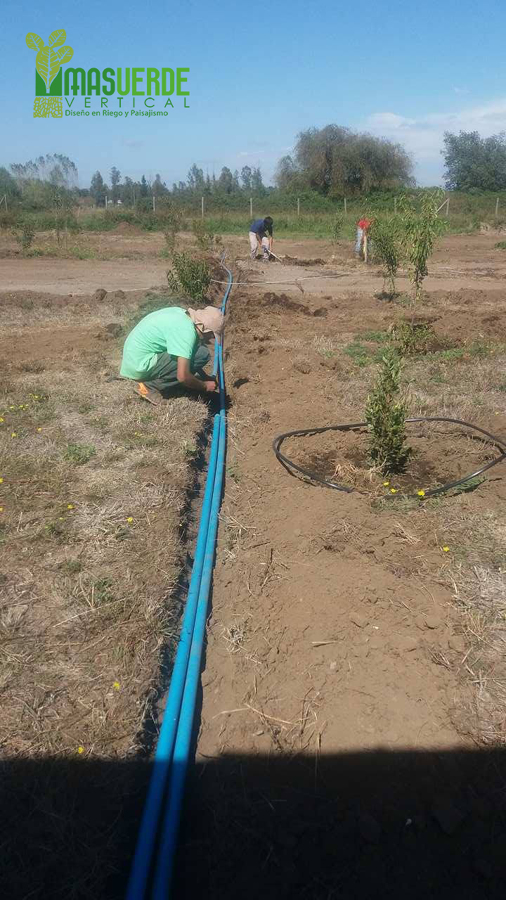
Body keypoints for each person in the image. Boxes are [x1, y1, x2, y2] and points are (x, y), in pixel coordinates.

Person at [120, 305, 224, 405]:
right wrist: (205, 386)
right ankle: (148, 387)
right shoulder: (186, 332)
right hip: (139, 366)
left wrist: (204, 376)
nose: (210, 338)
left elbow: (189, 354)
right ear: (202, 327)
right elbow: (182, 376)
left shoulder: (181, 315)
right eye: (210, 334)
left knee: (196, 351)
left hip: (133, 360)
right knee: (202, 354)